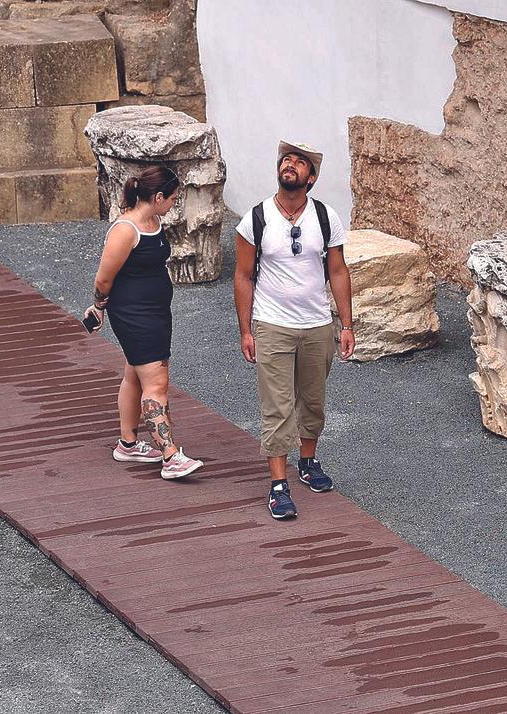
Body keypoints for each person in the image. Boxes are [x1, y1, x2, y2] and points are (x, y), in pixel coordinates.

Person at [233, 140, 354, 520]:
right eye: (286, 159)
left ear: (311, 177)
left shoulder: (324, 217)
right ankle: (278, 485)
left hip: (318, 325)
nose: (291, 165)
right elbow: (242, 276)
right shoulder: (255, 219)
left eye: (300, 162)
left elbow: (337, 271)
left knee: (313, 402)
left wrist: (346, 324)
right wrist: (246, 330)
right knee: (278, 407)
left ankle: (308, 462)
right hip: (272, 326)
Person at [84, 165, 204, 481]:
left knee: (135, 376)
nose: (174, 204)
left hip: (155, 312)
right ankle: (170, 455)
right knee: (157, 383)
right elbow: (104, 277)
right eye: (173, 198)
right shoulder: (126, 229)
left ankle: (127, 444)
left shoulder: (153, 221)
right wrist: (98, 308)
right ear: (159, 196)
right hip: (134, 316)